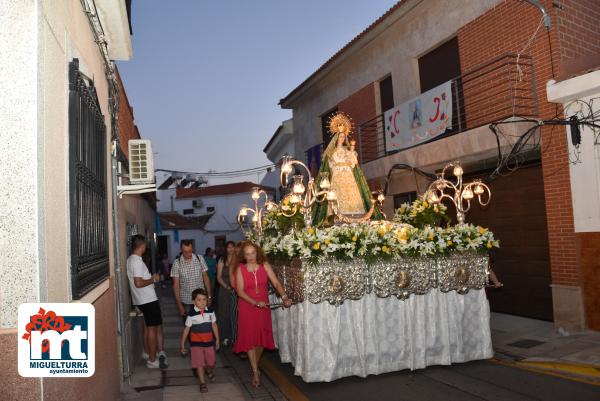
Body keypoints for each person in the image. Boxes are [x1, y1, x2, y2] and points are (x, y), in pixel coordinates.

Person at [233, 241, 291, 387]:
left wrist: (284, 297)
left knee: (261, 340)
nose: (251, 256)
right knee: (250, 339)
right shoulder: (240, 269)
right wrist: (254, 302)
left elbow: (276, 283)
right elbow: (240, 291)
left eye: (253, 253)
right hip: (247, 307)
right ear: (243, 256)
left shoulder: (264, 265)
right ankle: (254, 371)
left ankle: (255, 363)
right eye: (247, 254)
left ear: (257, 253)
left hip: (263, 307)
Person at [126, 235, 168, 369]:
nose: (146, 247)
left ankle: (148, 352)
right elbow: (138, 282)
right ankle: (152, 359)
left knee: (147, 327)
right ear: (141, 245)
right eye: (145, 244)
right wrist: (153, 279)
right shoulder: (137, 261)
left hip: (141, 300)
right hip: (148, 300)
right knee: (153, 329)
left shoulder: (131, 260)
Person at [181, 288, 220, 393]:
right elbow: (186, 330)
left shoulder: (211, 311)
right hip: (196, 343)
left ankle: (209, 370)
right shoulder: (191, 314)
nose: (202, 302)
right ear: (194, 302)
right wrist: (182, 344)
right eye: (199, 300)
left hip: (209, 343)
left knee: (211, 362)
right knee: (199, 363)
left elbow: (214, 325)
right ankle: (202, 383)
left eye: (204, 299)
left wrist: (217, 339)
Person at [171, 240, 212, 322]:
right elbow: (176, 285)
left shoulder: (199, 258)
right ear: (181, 250)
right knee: (188, 327)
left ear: (192, 248)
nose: (188, 254)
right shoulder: (177, 263)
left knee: (202, 325)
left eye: (190, 251)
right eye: (185, 252)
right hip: (186, 301)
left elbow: (206, 278)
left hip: (201, 300)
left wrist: (209, 296)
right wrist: (179, 305)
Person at [216, 241, 236, 346]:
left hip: (236, 290)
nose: (231, 249)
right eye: (229, 247)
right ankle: (224, 336)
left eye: (233, 247)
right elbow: (218, 277)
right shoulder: (221, 260)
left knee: (234, 314)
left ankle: (234, 336)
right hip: (224, 290)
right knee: (224, 313)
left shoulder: (238, 260)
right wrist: (228, 287)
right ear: (226, 249)